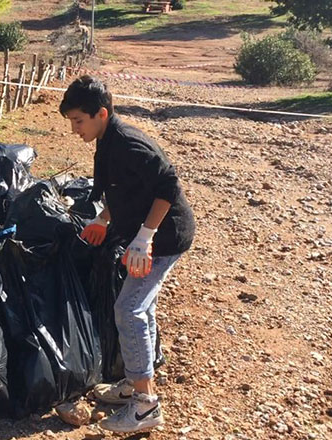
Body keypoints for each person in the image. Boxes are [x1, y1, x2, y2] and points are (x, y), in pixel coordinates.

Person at [60, 75, 195, 433]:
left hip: (165, 238)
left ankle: (145, 406)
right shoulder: (106, 141)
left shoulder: (128, 145)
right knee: (141, 306)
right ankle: (136, 385)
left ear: (101, 113)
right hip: (146, 234)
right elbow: (125, 192)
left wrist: (145, 238)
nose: (75, 130)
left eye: (78, 121)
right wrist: (103, 219)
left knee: (129, 308)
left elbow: (168, 184)